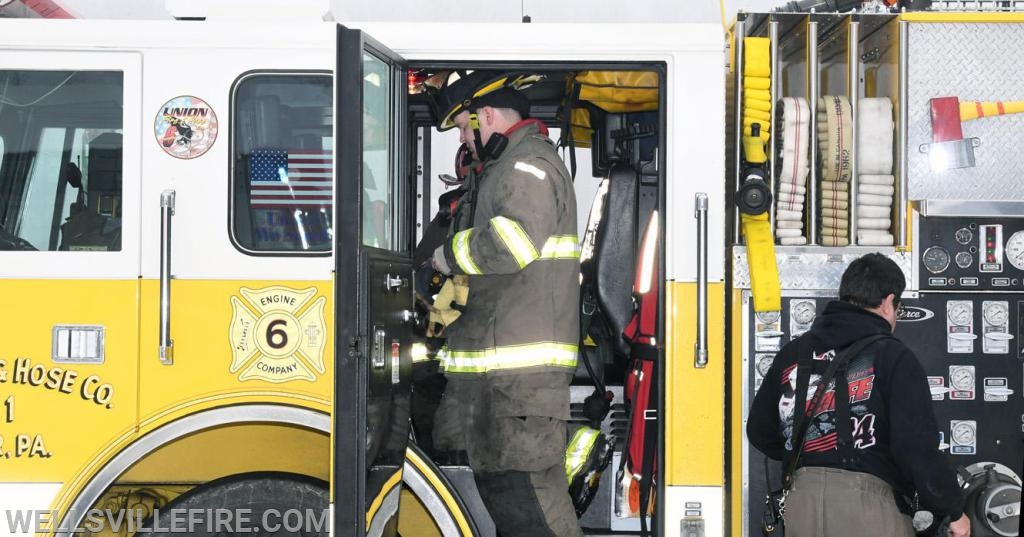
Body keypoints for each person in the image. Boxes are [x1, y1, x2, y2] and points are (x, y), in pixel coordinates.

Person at [430, 71, 583, 537]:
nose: (463, 138)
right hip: (500, 391)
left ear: (487, 116)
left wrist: (445, 253)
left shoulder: (527, 168)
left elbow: (510, 245)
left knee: (531, 511)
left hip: (517, 390)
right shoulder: (504, 169)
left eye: (462, 127)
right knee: (516, 511)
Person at [747, 253, 970, 537]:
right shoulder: (893, 356)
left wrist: (812, 458)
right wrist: (952, 510)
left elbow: (759, 431)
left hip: (801, 505)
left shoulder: (794, 352)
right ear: (889, 302)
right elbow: (915, 446)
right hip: (868, 507)